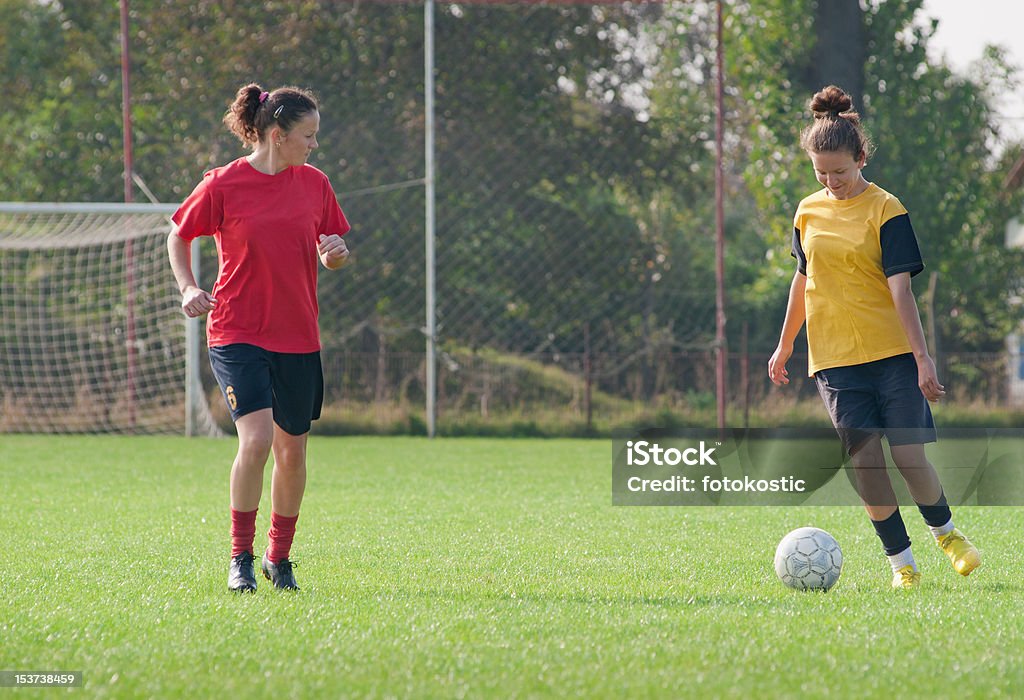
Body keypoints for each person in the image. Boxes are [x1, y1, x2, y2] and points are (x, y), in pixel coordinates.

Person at [768, 85, 980, 590]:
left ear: (860, 157)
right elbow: (803, 279)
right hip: (835, 361)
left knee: (908, 456)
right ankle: (901, 564)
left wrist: (922, 358)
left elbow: (900, 291)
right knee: (866, 464)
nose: (831, 182)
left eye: (839, 171)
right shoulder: (806, 212)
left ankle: (947, 535)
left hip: (892, 355)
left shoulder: (887, 210)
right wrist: (785, 342)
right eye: (821, 173)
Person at [167, 83, 351, 592]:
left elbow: (331, 249)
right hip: (236, 332)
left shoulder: (316, 184)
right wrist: (188, 288)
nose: (314, 145)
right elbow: (178, 233)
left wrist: (333, 254)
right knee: (258, 439)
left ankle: (279, 557)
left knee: (293, 453)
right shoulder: (224, 184)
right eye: (308, 136)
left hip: (298, 336)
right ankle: (240, 558)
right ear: (277, 135)